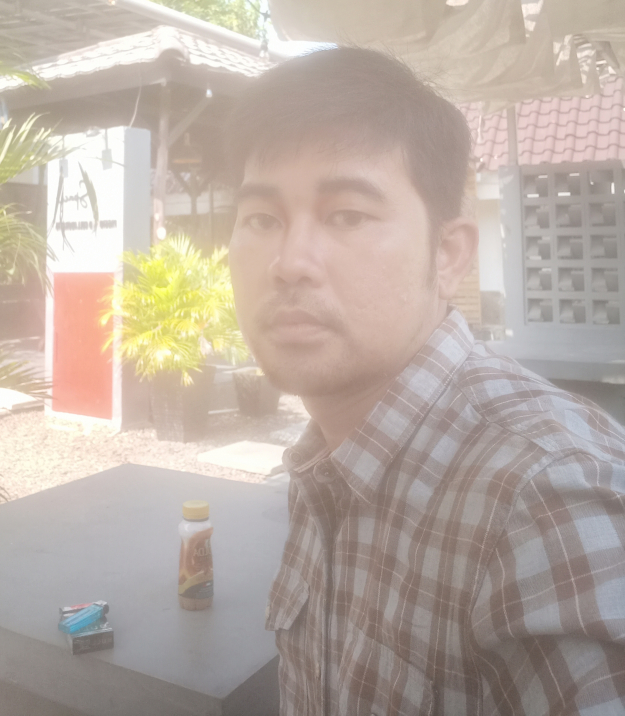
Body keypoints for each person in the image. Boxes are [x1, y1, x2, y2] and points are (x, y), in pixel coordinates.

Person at [226, 46, 625, 716]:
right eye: (262, 219)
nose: (289, 262)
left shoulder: (547, 499)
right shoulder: (325, 461)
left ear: (448, 256)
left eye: (347, 214)